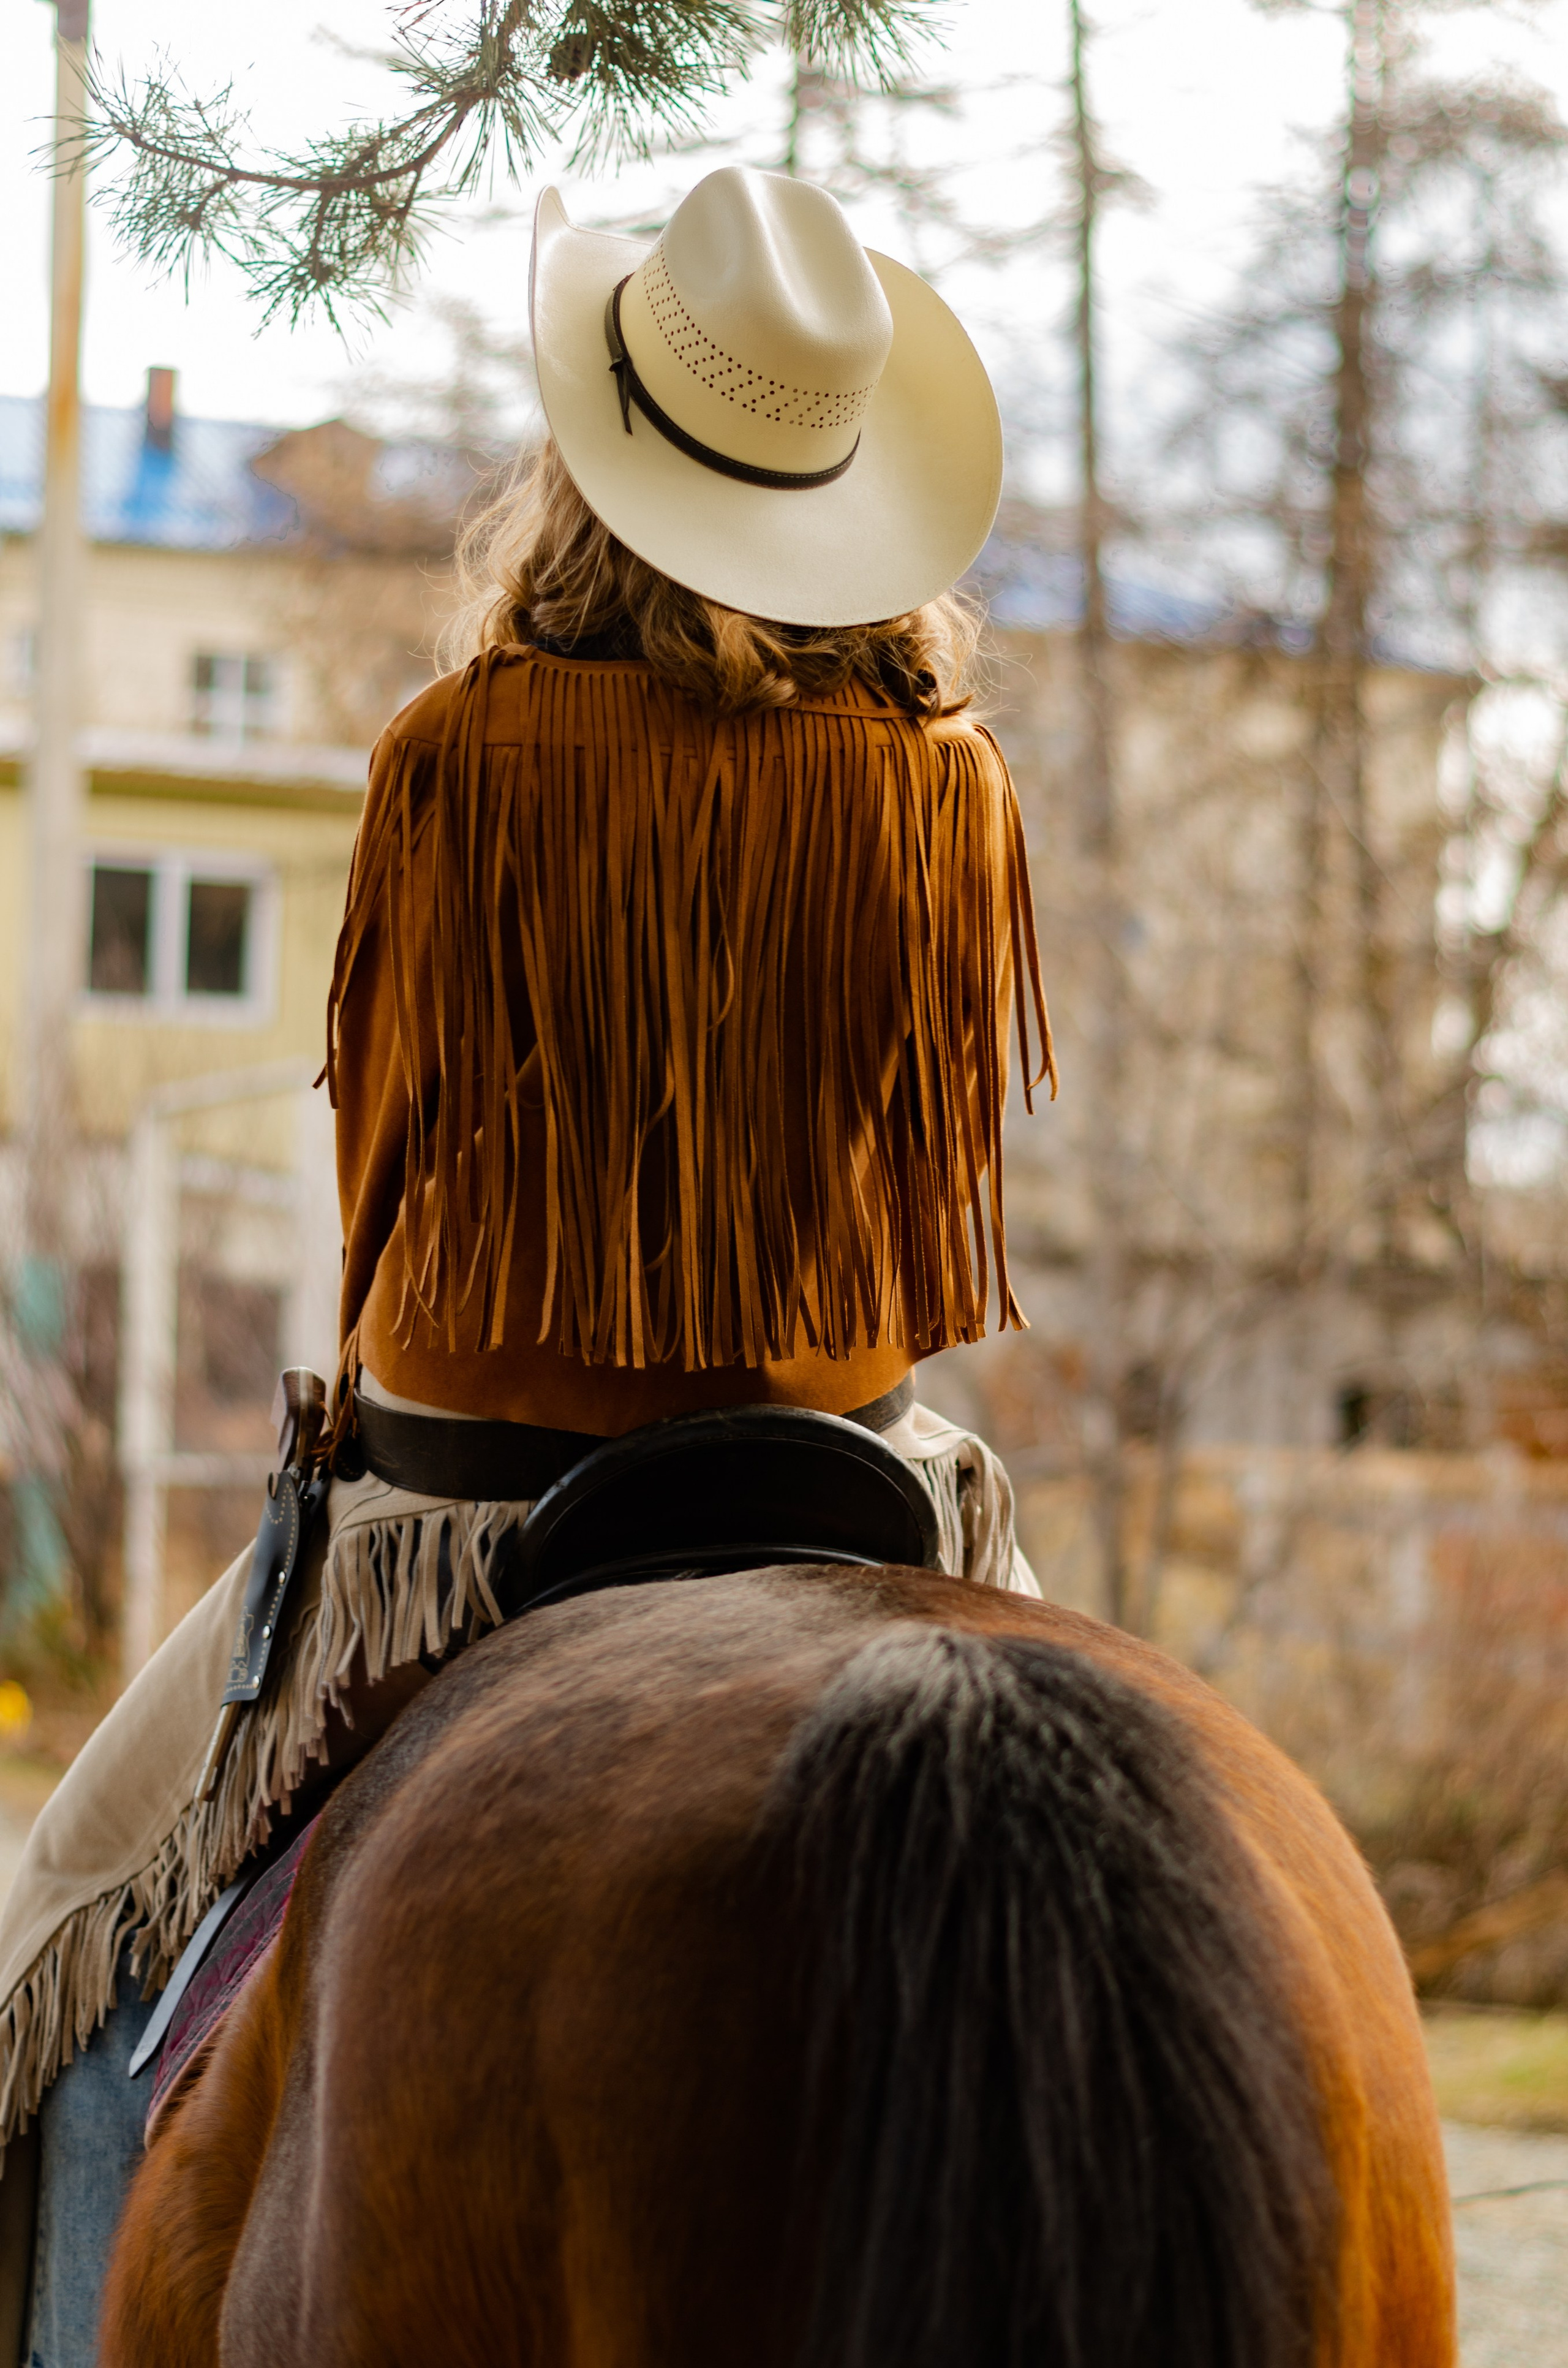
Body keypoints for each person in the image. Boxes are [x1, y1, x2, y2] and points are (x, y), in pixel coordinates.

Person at [0, 162, 1053, 2362]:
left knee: (70, 1961)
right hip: (871, 1487)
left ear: (597, 461)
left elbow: (392, 1179)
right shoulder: (952, 793)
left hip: (460, 1532)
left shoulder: (454, 757)